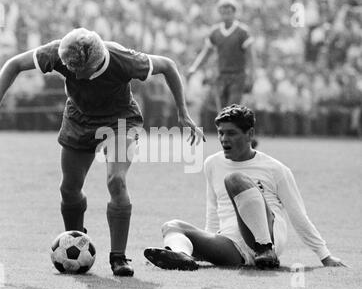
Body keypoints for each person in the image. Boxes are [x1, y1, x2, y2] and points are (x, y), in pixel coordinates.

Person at [0, 28, 205, 277]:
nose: (69, 71)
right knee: (69, 188)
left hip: (120, 120)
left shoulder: (124, 60)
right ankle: (75, 242)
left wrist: (183, 113)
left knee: (116, 180)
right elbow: (14, 64)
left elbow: (168, 66)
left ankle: (118, 257)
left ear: (95, 63)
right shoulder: (61, 52)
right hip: (79, 118)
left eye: (76, 69)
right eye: (67, 66)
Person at [144, 104, 346, 270]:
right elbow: (213, 210)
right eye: (221, 133)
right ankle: (182, 257)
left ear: (249, 134)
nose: (224, 139)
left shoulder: (276, 169)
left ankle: (264, 249)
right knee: (172, 226)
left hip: (269, 237)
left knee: (235, 180)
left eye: (231, 133)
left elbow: (298, 216)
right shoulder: (212, 164)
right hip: (231, 245)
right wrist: (206, 245)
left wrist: (325, 256)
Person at [187, 0, 256, 112]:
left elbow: (250, 56)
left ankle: (232, 129)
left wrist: (251, 75)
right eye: (223, 12)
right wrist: (194, 67)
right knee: (222, 111)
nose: (226, 16)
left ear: (234, 12)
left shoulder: (242, 32)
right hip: (221, 76)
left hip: (238, 76)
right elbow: (206, 52)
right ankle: (228, 130)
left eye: (229, 12)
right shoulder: (215, 32)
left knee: (231, 108)